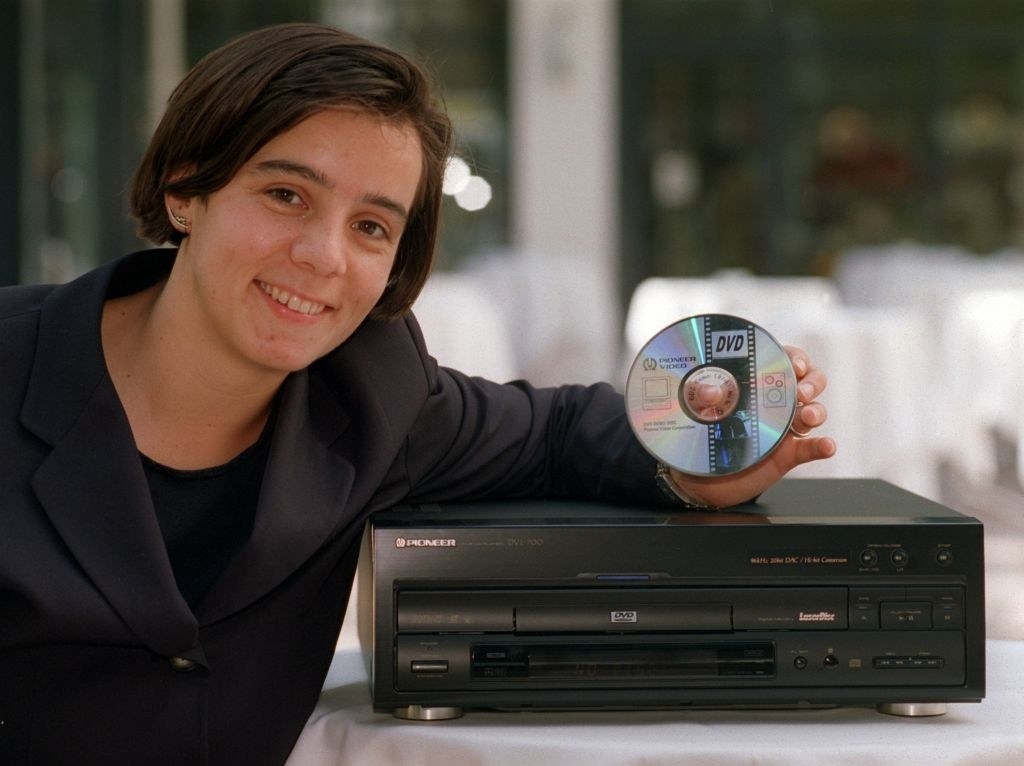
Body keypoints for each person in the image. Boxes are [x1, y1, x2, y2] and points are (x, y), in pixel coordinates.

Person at [0, 23, 835, 765]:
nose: (323, 256)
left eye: (371, 226)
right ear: (186, 191)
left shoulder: (372, 390)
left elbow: (555, 432)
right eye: (286, 194)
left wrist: (692, 467)